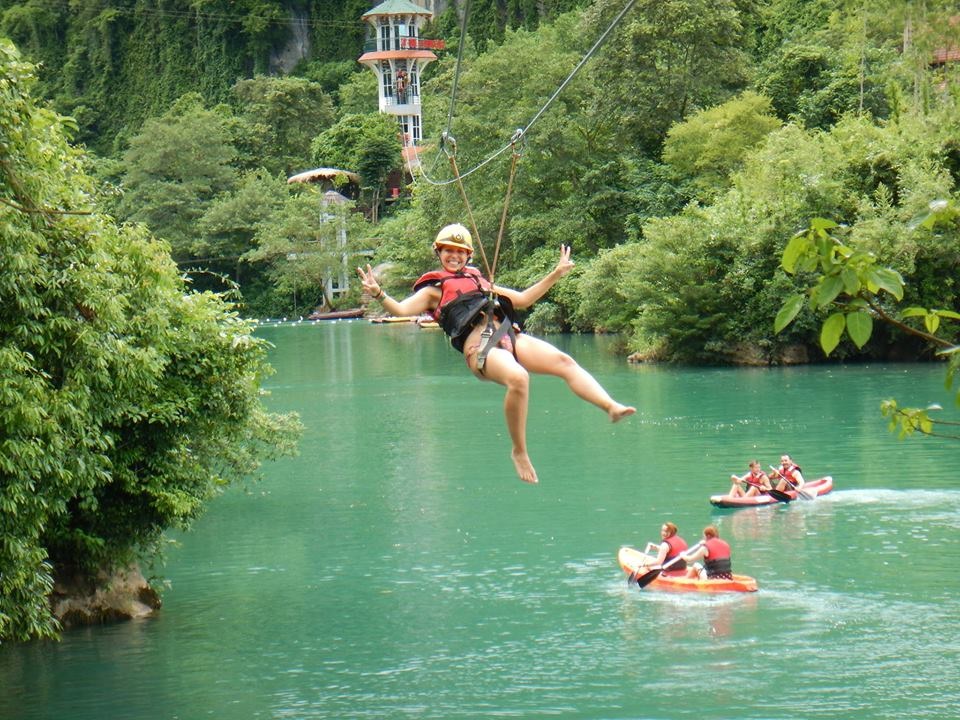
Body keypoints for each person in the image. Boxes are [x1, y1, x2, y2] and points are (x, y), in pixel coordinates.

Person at [356, 223, 636, 485]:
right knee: (518, 378)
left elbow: (523, 299)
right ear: (438, 253)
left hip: (507, 336)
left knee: (565, 362)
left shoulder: (479, 281)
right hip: (480, 348)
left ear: (468, 256)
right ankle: (519, 451)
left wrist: (557, 273)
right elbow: (401, 310)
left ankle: (610, 406)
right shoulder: (433, 291)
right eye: (448, 251)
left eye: (460, 252)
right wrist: (378, 293)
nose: (454, 256)